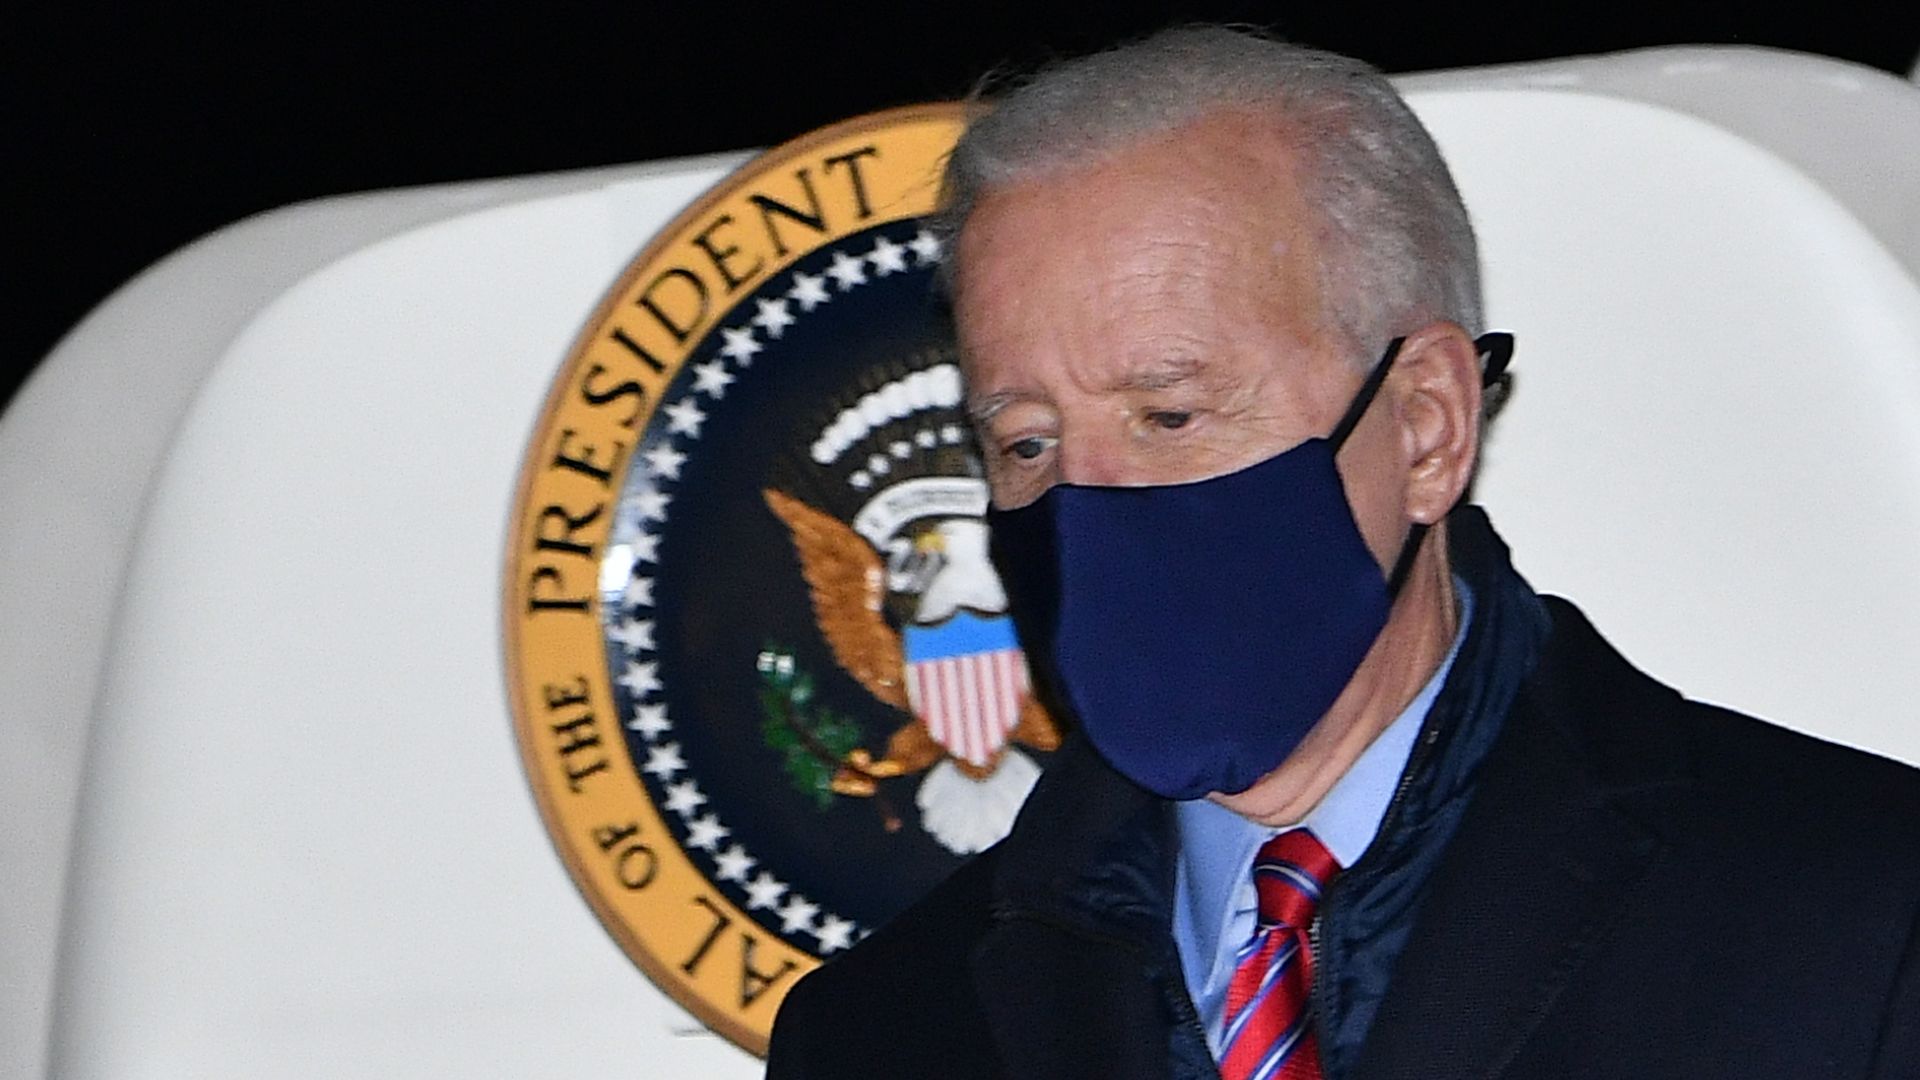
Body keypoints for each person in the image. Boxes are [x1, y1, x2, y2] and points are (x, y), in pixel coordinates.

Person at [765, 26, 1920, 1080]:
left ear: (1425, 425)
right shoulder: (882, 1034)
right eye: (1026, 442)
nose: (1084, 505)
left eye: (1169, 416)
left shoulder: (1854, 918)